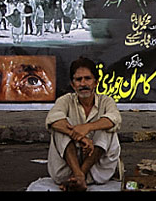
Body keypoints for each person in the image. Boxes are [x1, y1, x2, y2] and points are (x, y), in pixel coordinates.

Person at [45, 57, 122, 191]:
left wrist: (87, 127)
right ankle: (78, 175)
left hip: (98, 172)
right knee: (59, 126)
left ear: (96, 82)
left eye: (88, 79)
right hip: (66, 172)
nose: (83, 83)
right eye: (78, 80)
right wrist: (80, 137)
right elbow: (52, 119)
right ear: (73, 84)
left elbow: (115, 118)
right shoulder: (65, 101)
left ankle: (80, 176)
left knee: (107, 126)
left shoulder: (106, 101)